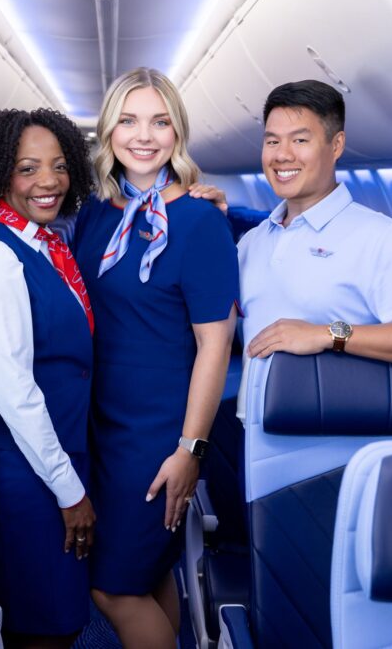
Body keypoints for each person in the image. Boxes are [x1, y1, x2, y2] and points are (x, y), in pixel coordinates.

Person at [73, 67, 239, 649]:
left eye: (160, 121)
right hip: (101, 425)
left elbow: (215, 344)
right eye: (129, 120)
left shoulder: (199, 221)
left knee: (111, 589)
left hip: (158, 434)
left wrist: (190, 449)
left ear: (178, 132)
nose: (144, 135)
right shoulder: (96, 212)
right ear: (108, 130)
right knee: (144, 574)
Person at [0, 109, 97, 649]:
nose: (49, 182)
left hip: (56, 460)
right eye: (28, 168)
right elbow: (14, 392)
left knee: (58, 618)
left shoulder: (42, 244)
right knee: (42, 627)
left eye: (59, 166)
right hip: (28, 474)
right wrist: (69, 491)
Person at [238, 79, 392, 386]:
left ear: (337, 145)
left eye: (300, 141)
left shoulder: (380, 236)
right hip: (255, 429)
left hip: (343, 430)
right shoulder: (251, 242)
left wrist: (328, 334)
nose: (282, 155)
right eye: (272, 141)